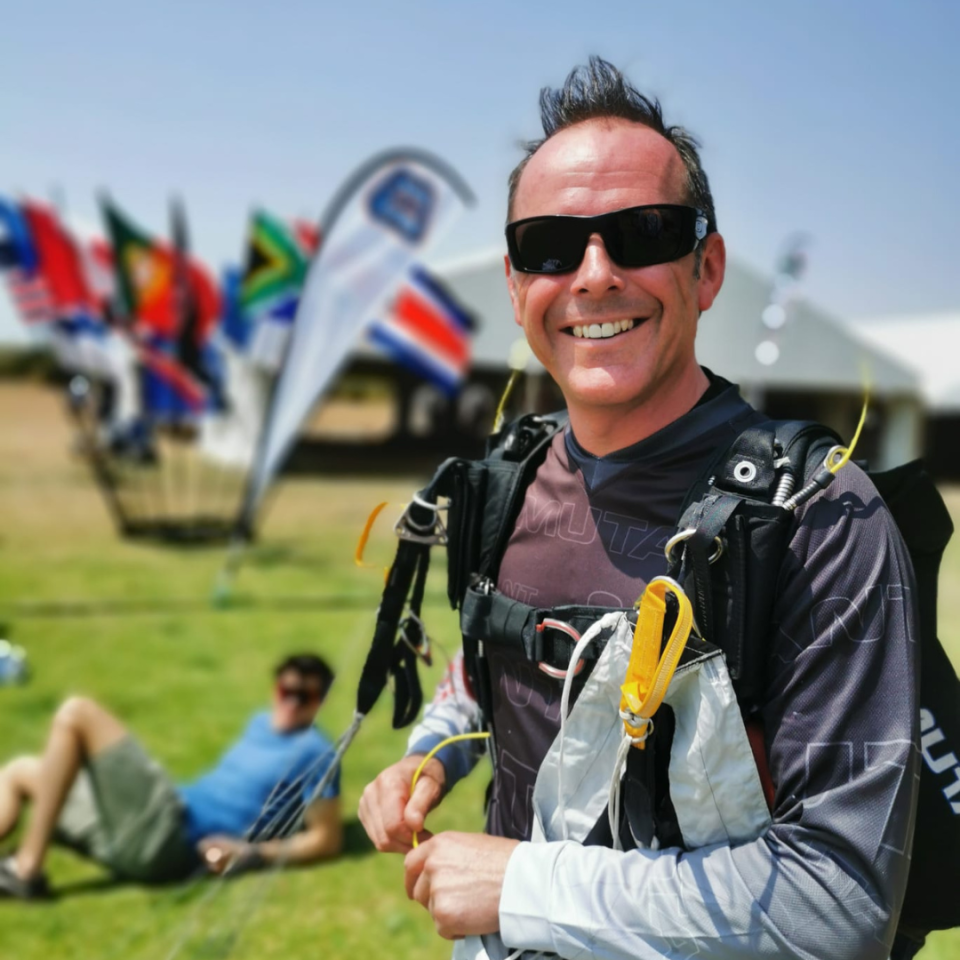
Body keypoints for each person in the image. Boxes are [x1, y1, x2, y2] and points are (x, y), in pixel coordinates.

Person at [359, 58, 921, 959]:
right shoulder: (509, 480)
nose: (592, 274)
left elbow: (840, 902)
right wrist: (433, 756)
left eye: (642, 233)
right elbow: (489, 671)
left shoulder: (818, 519)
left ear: (707, 269)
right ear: (515, 285)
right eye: (551, 245)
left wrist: (524, 886)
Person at [0, 652, 342, 898]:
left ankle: (26, 870)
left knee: (77, 713)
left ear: (321, 701)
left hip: (172, 837)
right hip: (146, 826)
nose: (291, 703)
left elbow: (327, 840)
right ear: (275, 690)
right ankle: (23, 861)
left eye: (304, 696)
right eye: (286, 691)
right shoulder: (259, 722)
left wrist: (250, 853)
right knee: (21, 772)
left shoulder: (316, 752)